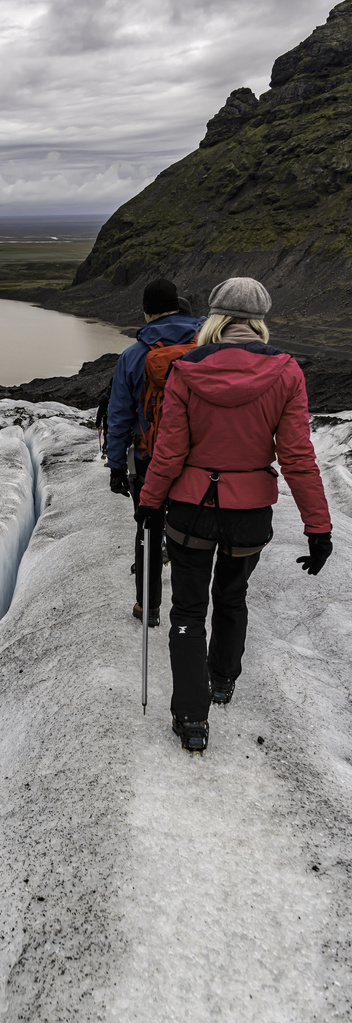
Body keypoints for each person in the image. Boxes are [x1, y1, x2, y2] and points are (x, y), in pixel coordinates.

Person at [135, 276, 332, 752]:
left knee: (186, 608)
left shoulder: (186, 370)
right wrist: (318, 527)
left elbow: (170, 449)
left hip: (190, 510)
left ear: (216, 317)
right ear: (259, 321)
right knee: (231, 598)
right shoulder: (286, 373)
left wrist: (150, 502)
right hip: (249, 514)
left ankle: (191, 716)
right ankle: (222, 681)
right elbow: (298, 456)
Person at [107, 278, 203, 625]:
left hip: (151, 460)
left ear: (146, 311)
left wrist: (116, 466)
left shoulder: (134, 356)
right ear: (177, 306)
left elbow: (119, 416)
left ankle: (147, 607)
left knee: (148, 527)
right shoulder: (208, 346)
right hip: (200, 461)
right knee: (193, 534)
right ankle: (190, 614)